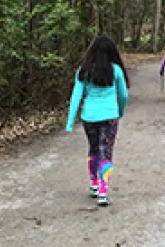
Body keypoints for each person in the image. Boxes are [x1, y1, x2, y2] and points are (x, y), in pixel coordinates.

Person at [65, 35, 129, 206]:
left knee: (93, 149)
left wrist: (70, 121)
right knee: (106, 152)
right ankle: (103, 190)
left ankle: (94, 183)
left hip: (89, 117)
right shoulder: (116, 70)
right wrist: (120, 111)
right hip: (109, 116)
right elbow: (123, 95)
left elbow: (76, 96)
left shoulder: (83, 71)